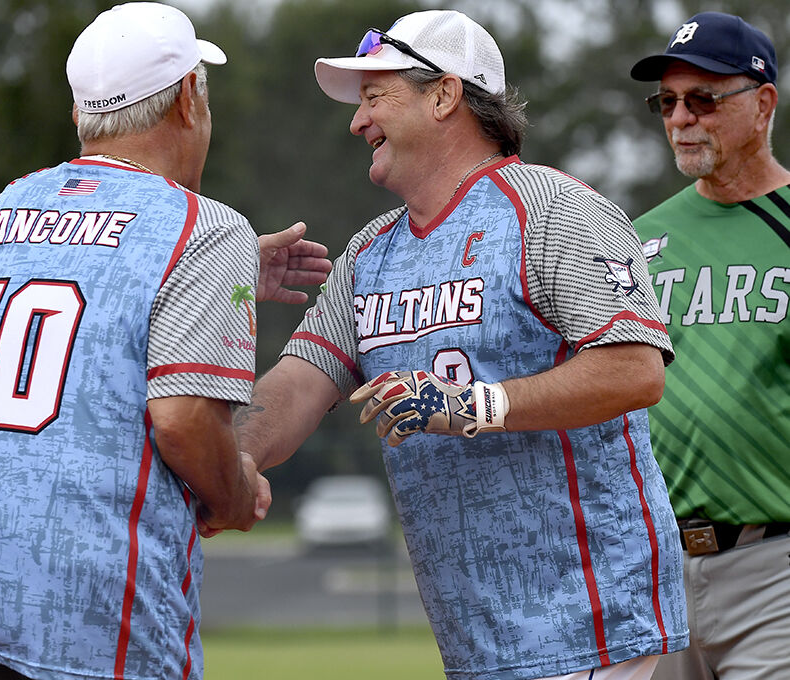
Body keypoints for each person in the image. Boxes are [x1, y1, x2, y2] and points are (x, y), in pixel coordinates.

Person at [234, 9, 688, 680]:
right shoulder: (371, 251)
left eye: (374, 97)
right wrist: (228, 460)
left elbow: (634, 371)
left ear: (444, 95)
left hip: (584, 620)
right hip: (478, 640)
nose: (358, 122)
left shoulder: (555, 209)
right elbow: (298, 384)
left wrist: (473, 404)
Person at [0, 3, 330, 679]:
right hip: (95, 620)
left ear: (81, 115)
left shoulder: (13, 204)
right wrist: (236, 494)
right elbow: (183, 421)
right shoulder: (203, 227)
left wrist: (227, 275)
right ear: (190, 98)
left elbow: (84, 305)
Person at [630, 11, 790, 680]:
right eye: (667, 101)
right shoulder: (635, 239)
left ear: (762, 105)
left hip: (773, 568)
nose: (680, 118)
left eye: (703, 99)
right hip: (654, 569)